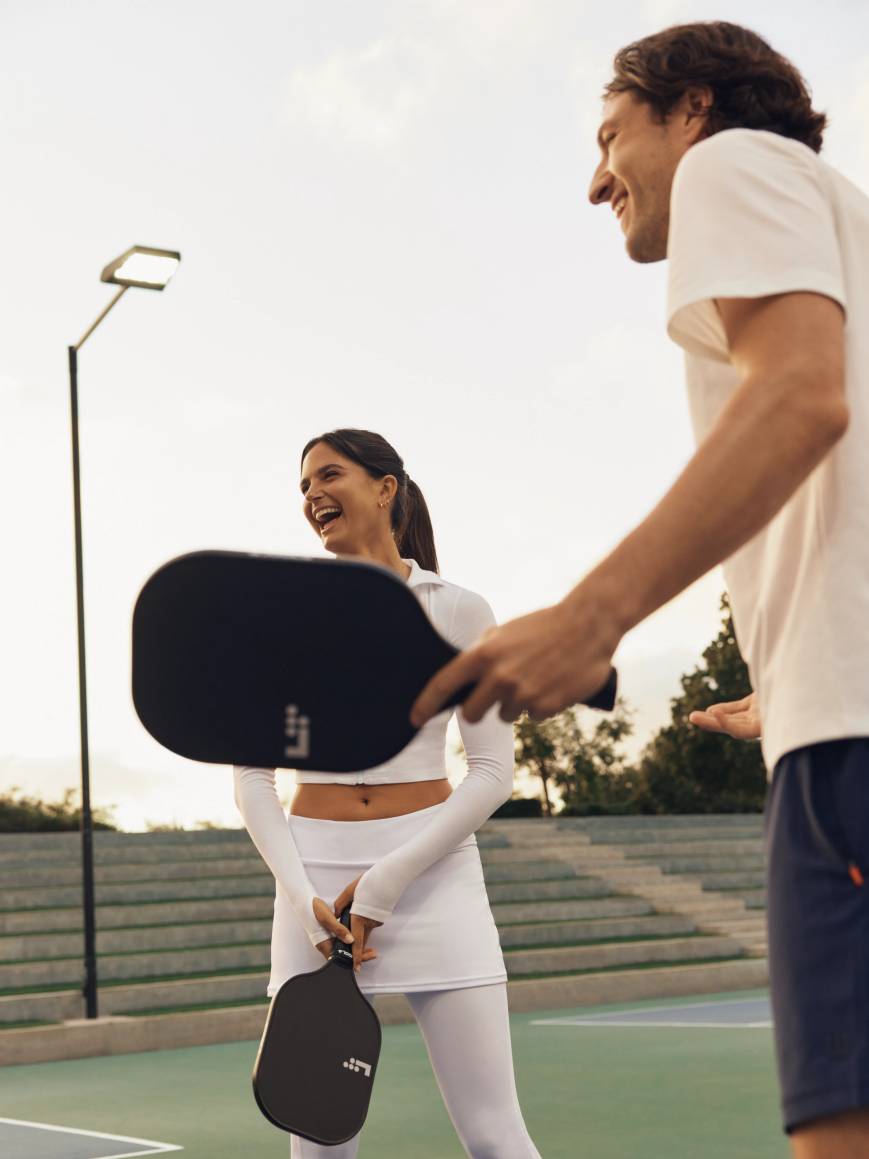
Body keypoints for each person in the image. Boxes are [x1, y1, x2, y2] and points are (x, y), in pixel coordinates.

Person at [412, 20, 869, 1157]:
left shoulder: (736, 162)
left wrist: (592, 613)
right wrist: (790, 681)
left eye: (611, 135)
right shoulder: (841, 215)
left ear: (693, 109)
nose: (592, 179)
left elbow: (804, 397)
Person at [234, 428, 541, 1159]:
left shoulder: (460, 610)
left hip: (433, 875)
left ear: (385, 487)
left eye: (328, 474)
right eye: (302, 486)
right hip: (310, 883)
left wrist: (388, 878)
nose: (311, 495)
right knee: (320, 1142)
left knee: (495, 1134)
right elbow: (251, 778)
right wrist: (300, 890)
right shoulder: (283, 616)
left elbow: (492, 770)